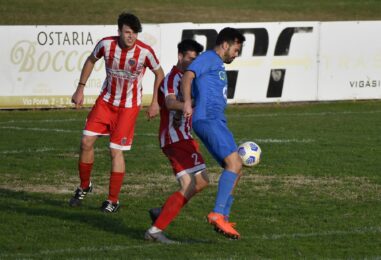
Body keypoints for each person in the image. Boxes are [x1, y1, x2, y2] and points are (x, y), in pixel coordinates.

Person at [69, 12, 164, 213]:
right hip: (105, 102)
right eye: (128, 32)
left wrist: (155, 101)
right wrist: (80, 88)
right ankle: (84, 186)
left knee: (115, 151)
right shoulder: (105, 45)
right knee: (86, 142)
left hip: (128, 108)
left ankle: (113, 200)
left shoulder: (145, 52)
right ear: (119, 31)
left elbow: (159, 73)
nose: (131, 36)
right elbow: (90, 60)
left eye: (135, 33)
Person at [181, 27, 246, 239]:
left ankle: (223, 217)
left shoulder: (217, 64)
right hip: (208, 119)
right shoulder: (208, 58)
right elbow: (188, 75)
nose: (237, 54)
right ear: (225, 45)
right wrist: (188, 103)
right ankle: (217, 213)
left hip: (217, 120)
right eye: (236, 49)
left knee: (237, 168)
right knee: (234, 164)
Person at [144, 39, 208, 244]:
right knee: (190, 183)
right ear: (180, 56)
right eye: (190, 58)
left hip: (186, 138)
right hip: (174, 138)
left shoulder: (190, 79)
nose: (193, 62)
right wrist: (185, 105)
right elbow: (170, 102)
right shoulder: (172, 78)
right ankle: (155, 231)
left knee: (202, 181)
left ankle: (162, 212)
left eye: (195, 59)